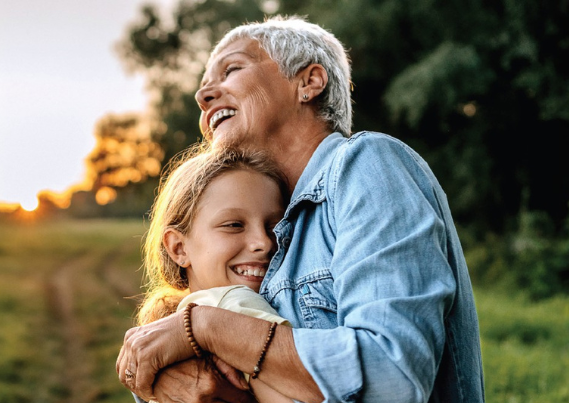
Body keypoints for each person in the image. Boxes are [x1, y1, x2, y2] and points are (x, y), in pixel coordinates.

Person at [117, 16, 485, 403]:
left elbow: (392, 378)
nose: (203, 95)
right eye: (205, 85)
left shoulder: (365, 163)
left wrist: (206, 327)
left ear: (308, 82)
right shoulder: (274, 233)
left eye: (233, 69)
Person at [128, 145, 294, 403]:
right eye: (234, 225)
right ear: (179, 248)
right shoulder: (236, 302)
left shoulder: (166, 331)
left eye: (274, 226)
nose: (264, 242)